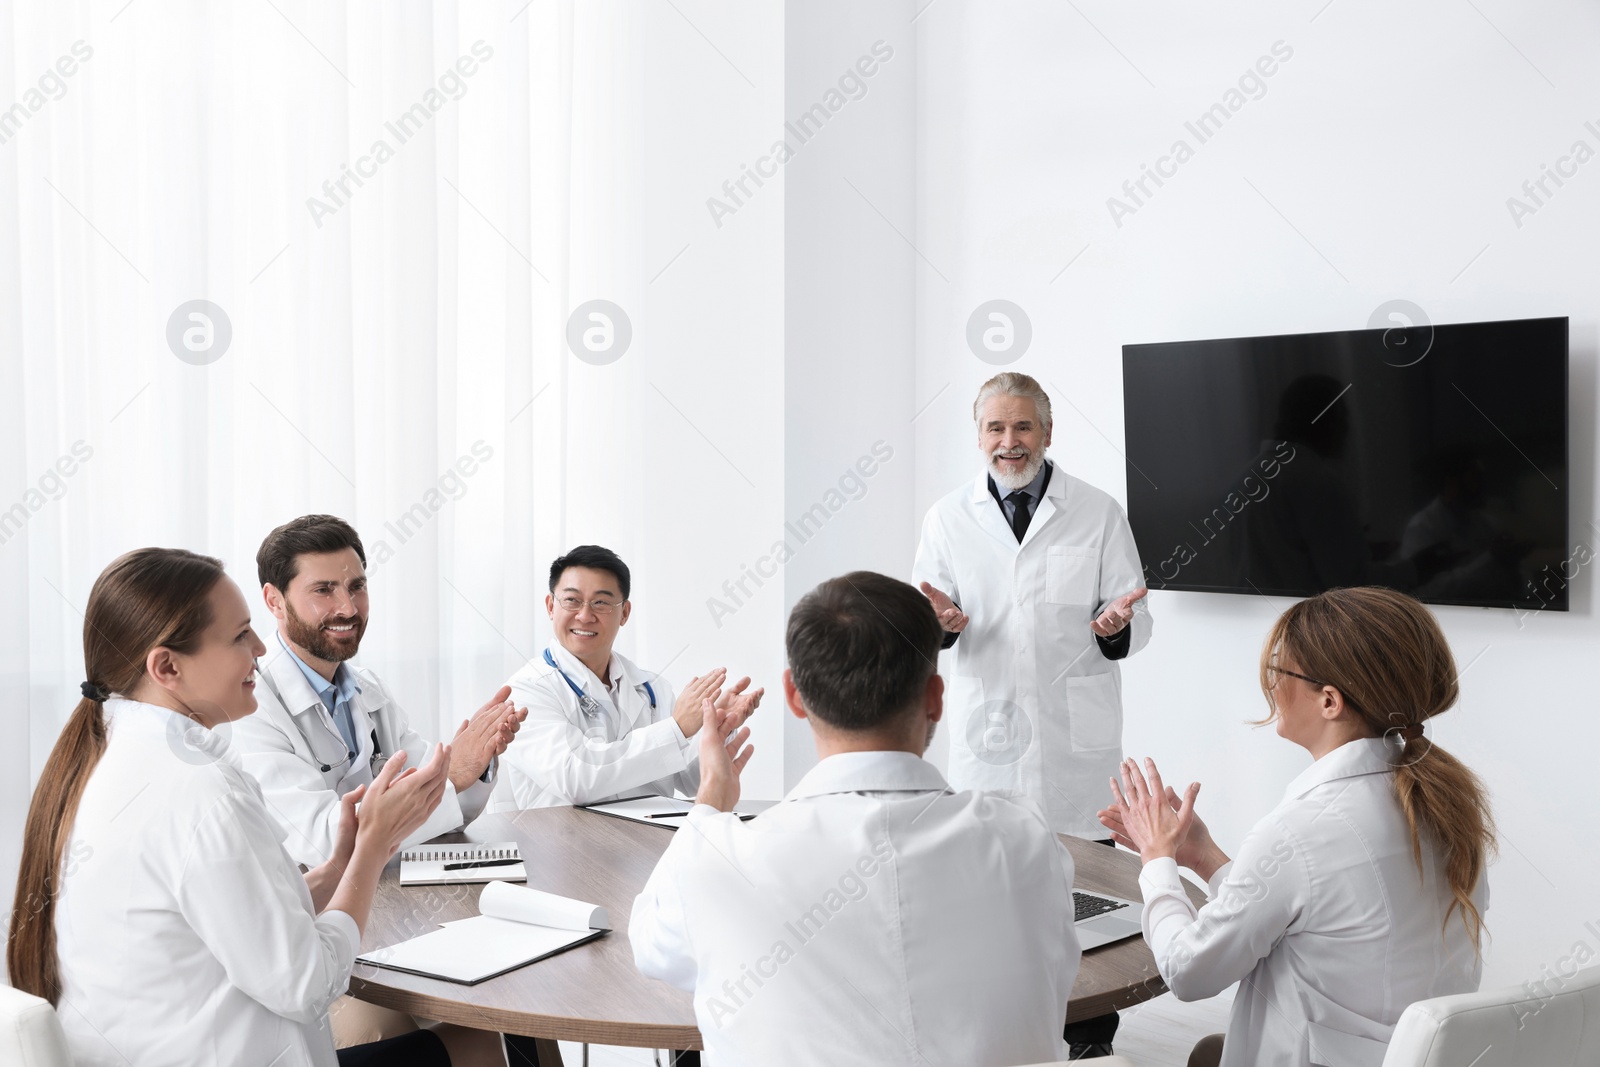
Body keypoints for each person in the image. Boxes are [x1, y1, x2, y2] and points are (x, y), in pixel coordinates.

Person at [5, 547, 503, 1066]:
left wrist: (341, 862)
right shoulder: (197, 791)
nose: (262, 648)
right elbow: (308, 984)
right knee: (478, 1043)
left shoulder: (111, 759)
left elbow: (255, 914)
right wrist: (373, 849)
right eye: (241, 635)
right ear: (167, 666)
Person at [630, 571, 1081, 1066]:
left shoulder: (719, 860)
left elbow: (651, 949)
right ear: (935, 696)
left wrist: (711, 796)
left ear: (794, 696)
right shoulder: (1027, 839)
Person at [1099, 586, 1494, 1067]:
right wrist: (1204, 857)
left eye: (1279, 670)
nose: (1269, 685)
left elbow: (1189, 973)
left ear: (1329, 701)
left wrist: (1156, 858)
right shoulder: (1445, 806)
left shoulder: (1300, 830)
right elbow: (1313, 917)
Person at [912, 371, 1148, 1056]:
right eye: (995, 428)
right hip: (990, 736)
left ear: (1046, 432)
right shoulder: (947, 517)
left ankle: (1091, 1040)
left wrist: (1111, 628)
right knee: (991, 901)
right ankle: (1003, 1042)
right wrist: (944, 623)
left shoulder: (1098, 510)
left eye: (1022, 427)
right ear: (979, 434)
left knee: (1090, 905)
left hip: (1077, 743)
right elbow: (927, 617)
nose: (1008, 442)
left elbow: (1133, 616)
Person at [231, 514, 525, 870]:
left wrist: (475, 763)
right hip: (311, 912)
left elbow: (451, 812)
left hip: (382, 897)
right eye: (324, 590)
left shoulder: (369, 691)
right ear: (274, 601)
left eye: (356, 586)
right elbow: (322, 843)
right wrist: (448, 777)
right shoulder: (248, 705)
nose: (348, 608)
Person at [495, 545, 760, 810]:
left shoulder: (652, 688)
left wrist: (716, 727)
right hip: (566, 845)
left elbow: (689, 781)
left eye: (601, 602)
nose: (585, 615)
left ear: (624, 613)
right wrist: (677, 729)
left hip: (647, 844)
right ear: (551, 606)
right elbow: (575, 779)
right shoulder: (524, 691)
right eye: (572, 600)